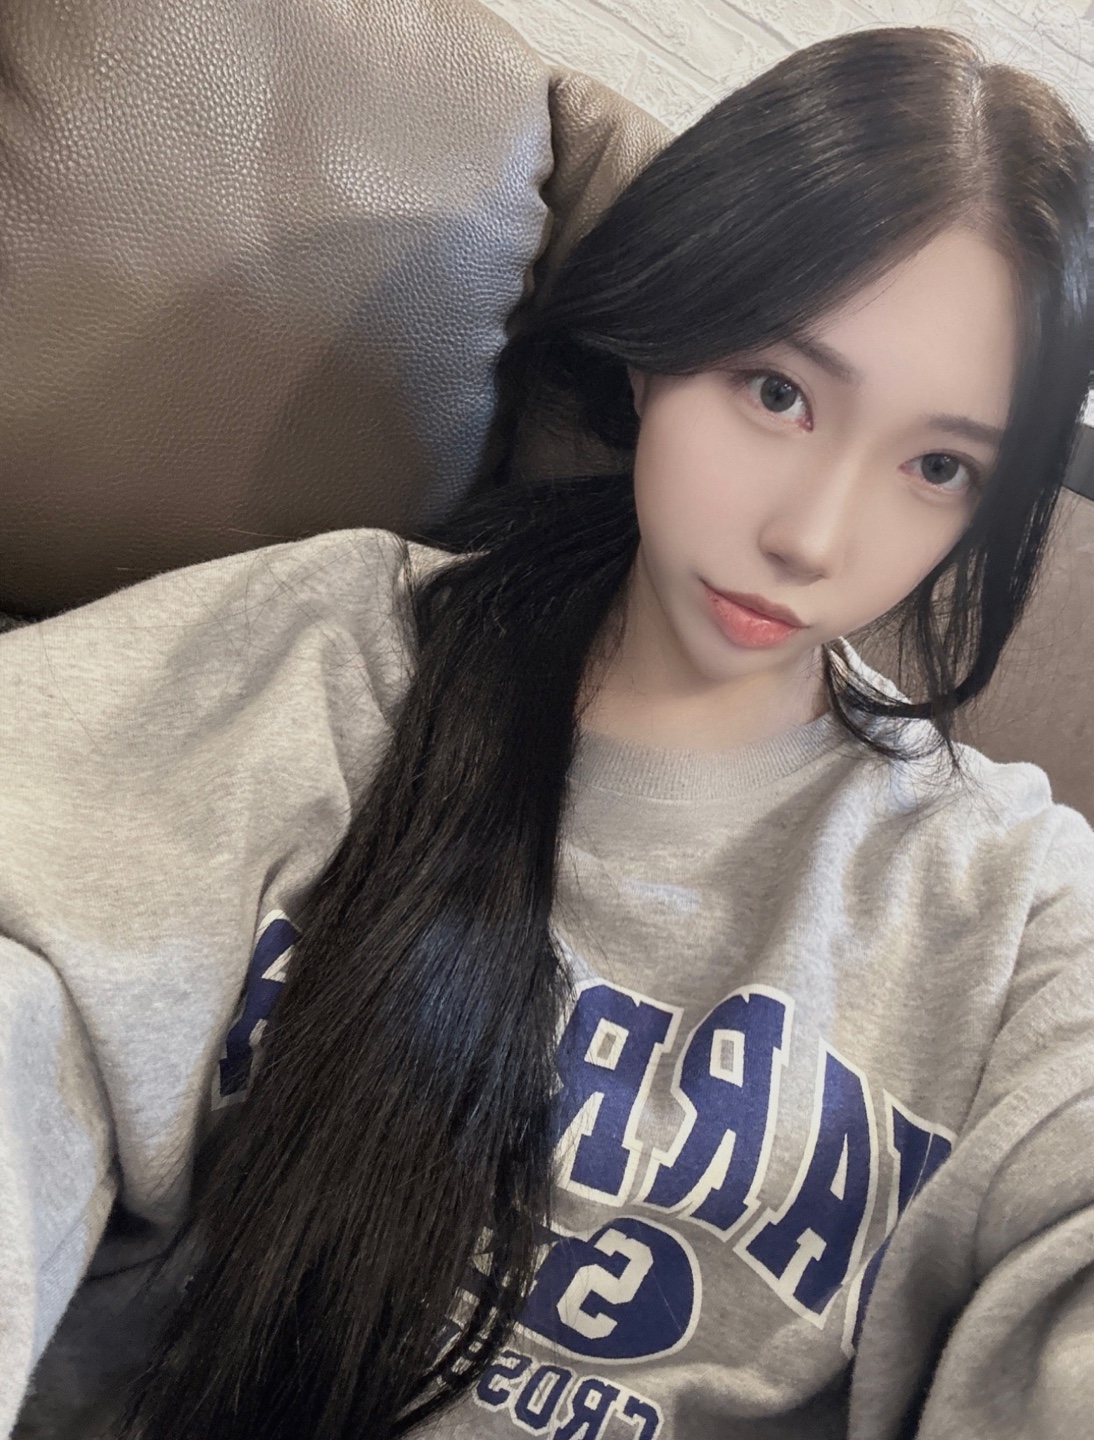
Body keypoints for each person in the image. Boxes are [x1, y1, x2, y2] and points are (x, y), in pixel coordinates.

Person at [2, 23, 1092, 1440]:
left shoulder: (1012, 910)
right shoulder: (340, 655)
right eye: (776, 392)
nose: (812, 537)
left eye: (936, 466)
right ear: (657, 350)